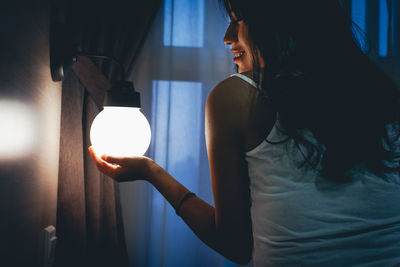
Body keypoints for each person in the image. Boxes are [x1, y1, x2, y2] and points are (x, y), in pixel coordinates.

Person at [89, 0, 400, 265]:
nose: (227, 37)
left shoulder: (235, 97)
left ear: (277, 20)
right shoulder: (383, 93)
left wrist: (151, 171)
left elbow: (236, 246)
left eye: (238, 21)